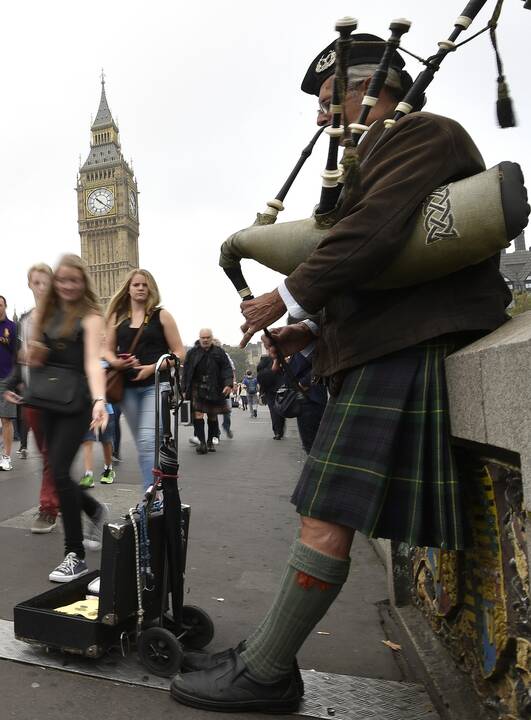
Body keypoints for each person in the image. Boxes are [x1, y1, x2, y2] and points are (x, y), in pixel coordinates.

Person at [170, 34, 512, 713]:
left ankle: (266, 672)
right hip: (382, 343)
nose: (322, 116)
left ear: (375, 88)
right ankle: (265, 657)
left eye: (331, 100)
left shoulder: (422, 135)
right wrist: (312, 325)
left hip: (404, 346)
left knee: (325, 513)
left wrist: (287, 295)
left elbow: (371, 236)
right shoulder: (372, 156)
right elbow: (385, 266)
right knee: (321, 510)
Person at [19, 255, 109, 581]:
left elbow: (90, 363)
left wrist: (99, 400)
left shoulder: (91, 316)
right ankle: (94, 510)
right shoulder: (45, 313)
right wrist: (32, 356)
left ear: (84, 282)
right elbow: (34, 356)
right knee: (58, 473)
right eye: (63, 280)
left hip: (76, 401)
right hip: (44, 399)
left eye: (75, 280)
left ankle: (76, 555)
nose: (68, 286)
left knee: (58, 470)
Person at [104, 269, 185, 491]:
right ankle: (158, 484)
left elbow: (179, 353)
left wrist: (153, 368)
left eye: (145, 285)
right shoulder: (117, 318)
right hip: (127, 388)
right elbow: (108, 352)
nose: (140, 288)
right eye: (136, 285)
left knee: (148, 441)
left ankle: (151, 495)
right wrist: (117, 363)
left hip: (156, 385)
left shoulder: (162, 315)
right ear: (128, 289)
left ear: (151, 289)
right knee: (145, 444)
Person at [5, 264, 61, 532]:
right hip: (32, 395)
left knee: (51, 454)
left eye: (44, 282)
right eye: (35, 282)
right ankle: (65, 500)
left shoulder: (62, 316)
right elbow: (20, 358)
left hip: (57, 395)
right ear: (29, 284)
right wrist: (12, 382)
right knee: (47, 454)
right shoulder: (25, 320)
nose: (40, 286)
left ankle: (48, 507)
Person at [183, 329, 233, 454]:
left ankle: (210, 441)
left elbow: (226, 369)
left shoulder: (219, 352)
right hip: (197, 386)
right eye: (203, 337)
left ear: (212, 337)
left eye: (208, 337)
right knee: (198, 414)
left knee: (212, 414)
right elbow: (186, 372)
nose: (205, 340)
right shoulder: (192, 353)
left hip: (214, 386)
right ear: (199, 338)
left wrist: (228, 384)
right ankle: (202, 443)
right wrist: (184, 389)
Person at [80, 399, 116, 487]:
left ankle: (108, 469)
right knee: (87, 440)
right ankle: (88, 474)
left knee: (106, 441)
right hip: (87, 409)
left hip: (106, 409)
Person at [0, 296, 17, 471]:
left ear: (5, 306)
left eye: (0, 304)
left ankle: (7, 457)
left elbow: (17, 354)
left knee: (6, 419)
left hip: (6, 379)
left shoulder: (12, 327)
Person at [256, 354, 285, 440]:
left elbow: (262, 384)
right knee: (281, 411)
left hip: (270, 393)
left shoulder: (262, 372)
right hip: (280, 391)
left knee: (273, 412)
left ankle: (277, 431)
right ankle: (281, 430)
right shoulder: (276, 368)